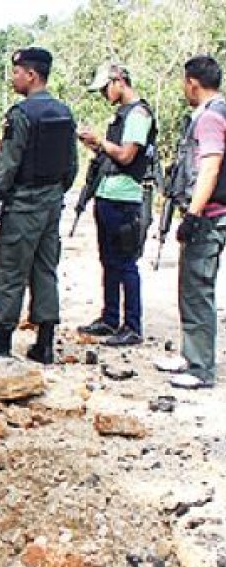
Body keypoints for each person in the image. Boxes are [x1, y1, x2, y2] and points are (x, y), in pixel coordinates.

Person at [0, 47, 77, 364]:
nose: (13, 78)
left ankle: (1, 344)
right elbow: (71, 166)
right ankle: (44, 344)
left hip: (24, 202)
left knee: (10, 271)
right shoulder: (64, 112)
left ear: (31, 75)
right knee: (45, 269)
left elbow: (8, 163)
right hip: (52, 201)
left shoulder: (21, 115)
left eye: (16, 72)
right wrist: (54, 192)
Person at [155, 55, 226, 389]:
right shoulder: (219, 111)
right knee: (191, 286)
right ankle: (191, 354)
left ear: (193, 83)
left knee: (198, 289)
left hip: (209, 215)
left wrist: (194, 215)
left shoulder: (210, 118)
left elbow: (210, 166)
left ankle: (200, 368)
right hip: (212, 212)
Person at [77, 63, 156, 347]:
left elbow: (125, 155)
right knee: (108, 260)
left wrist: (100, 141)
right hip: (107, 194)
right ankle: (110, 318)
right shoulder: (123, 114)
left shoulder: (138, 114)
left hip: (125, 198)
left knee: (125, 263)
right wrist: (95, 145)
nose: (103, 94)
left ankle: (132, 325)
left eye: (104, 88)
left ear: (119, 81)